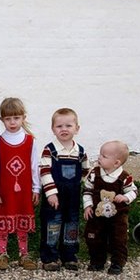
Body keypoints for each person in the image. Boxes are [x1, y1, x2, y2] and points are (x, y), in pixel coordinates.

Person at [0, 98, 40, 270]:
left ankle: (24, 254)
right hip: (4, 189)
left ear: (23, 118)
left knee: (22, 218)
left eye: (16, 118)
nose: (12, 122)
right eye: (8, 118)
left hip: (23, 190)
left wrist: (36, 188)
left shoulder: (30, 141)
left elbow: (34, 166)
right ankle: (2, 253)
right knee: (3, 219)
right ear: (2, 120)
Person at [39, 107, 90, 271]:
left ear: (77, 128)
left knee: (71, 224)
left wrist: (85, 188)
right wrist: (51, 193)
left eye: (68, 126)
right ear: (53, 129)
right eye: (59, 126)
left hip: (73, 196)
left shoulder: (80, 152)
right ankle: (50, 257)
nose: (64, 129)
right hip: (55, 196)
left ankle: (69, 255)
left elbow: (86, 172)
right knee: (52, 225)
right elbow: (44, 171)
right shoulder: (50, 150)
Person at [83, 140, 138, 275]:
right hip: (97, 216)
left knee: (118, 239)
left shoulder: (124, 177)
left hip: (117, 218)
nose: (99, 158)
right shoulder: (94, 173)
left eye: (104, 156)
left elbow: (134, 191)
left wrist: (125, 197)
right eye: (100, 154)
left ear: (116, 163)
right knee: (94, 237)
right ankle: (97, 261)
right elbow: (87, 190)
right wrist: (88, 206)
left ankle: (117, 263)